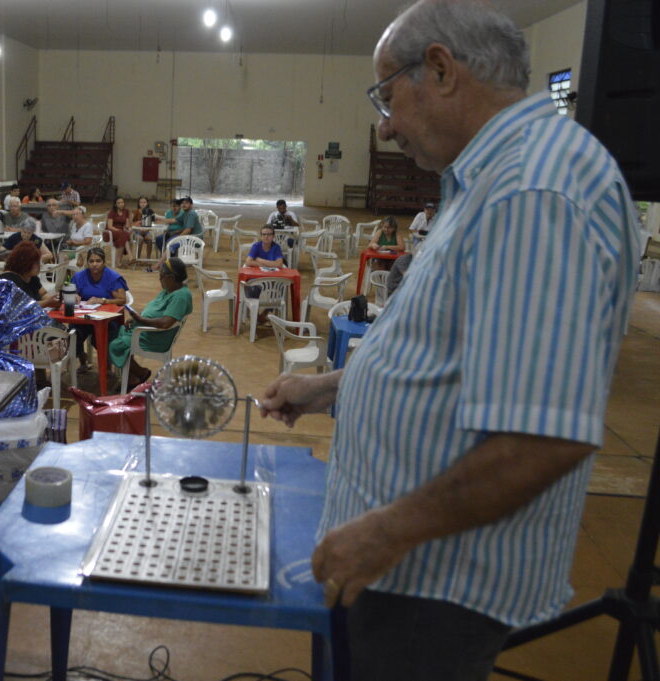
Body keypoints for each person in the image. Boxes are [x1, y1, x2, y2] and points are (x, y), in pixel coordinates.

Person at [260, 2, 642, 680]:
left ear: (439, 69)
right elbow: (444, 358)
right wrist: (326, 386)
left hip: (429, 587)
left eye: (386, 96)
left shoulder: (534, 189)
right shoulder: (486, 180)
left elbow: (544, 437)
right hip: (404, 568)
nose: (383, 125)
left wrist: (383, 533)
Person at [109, 257, 192, 388]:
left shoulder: (181, 296)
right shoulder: (169, 290)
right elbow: (154, 310)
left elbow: (165, 323)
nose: (160, 280)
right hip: (146, 330)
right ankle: (131, 376)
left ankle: (139, 374)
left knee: (116, 344)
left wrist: (140, 320)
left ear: (171, 277)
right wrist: (137, 318)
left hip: (155, 338)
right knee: (116, 332)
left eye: (162, 277)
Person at [72, 246, 129, 371]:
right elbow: (71, 292)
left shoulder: (112, 277)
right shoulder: (80, 276)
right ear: (87, 263)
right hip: (84, 317)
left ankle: (107, 366)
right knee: (73, 334)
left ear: (104, 263)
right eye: (91, 261)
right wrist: (74, 295)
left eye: (98, 261)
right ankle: (83, 361)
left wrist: (103, 300)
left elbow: (122, 300)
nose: (94, 264)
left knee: (105, 337)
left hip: (106, 319)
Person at [0, 240, 60, 308]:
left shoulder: (31, 277)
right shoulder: (8, 280)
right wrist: (46, 303)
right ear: (26, 263)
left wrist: (54, 299)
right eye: (37, 263)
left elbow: (43, 294)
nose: (40, 265)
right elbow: (21, 306)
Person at [150, 196, 202, 271]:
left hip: (194, 239)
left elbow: (188, 230)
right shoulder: (185, 213)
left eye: (186, 203)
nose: (184, 205)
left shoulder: (191, 214)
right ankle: (167, 263)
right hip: (188, 237)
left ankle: (160, 265)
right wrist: (158, 219)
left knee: (171, 243)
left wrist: (178, 238)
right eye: (183, 203)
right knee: (166, 241)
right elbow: (173, 220)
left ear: (191, 205)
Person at [105, 197, 134, 266]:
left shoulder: (126, 211)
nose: (121, 204)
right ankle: (130, 256)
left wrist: (128, 228)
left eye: (122, 202)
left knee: (124, 235)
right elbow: (110, 226)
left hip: (121, 232)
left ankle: (119, 262)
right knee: (123, 235)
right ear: (115, 204)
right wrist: (119, 230)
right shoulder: (112, 212)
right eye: (119, 203)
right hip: (111, 231)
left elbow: (127, 224)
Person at [130, 196, 155, 261]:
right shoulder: (134, 212)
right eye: (141, 202)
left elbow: (151, 224)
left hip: (146, 231)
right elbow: (130, 224)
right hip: (136, 231)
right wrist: (138, 228)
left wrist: (146, 230)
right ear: (138, 203)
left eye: (144, 202)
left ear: (147, 203)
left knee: (150, 239)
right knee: (140, 239)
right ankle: (137, 258)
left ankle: (148, 259)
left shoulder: (150, 212)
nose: (143, 204)